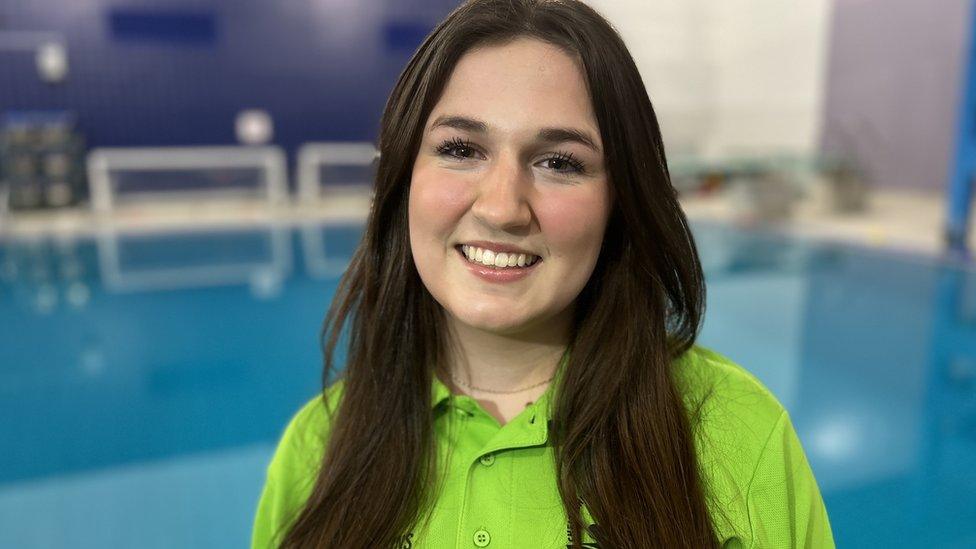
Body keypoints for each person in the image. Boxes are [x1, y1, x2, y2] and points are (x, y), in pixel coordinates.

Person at [252, 0, 835, 547]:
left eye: (560, 162)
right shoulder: (317, 449)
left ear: (621, 199)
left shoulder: (735, 432)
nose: (502, 207)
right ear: (404, 175)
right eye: (460, 149)